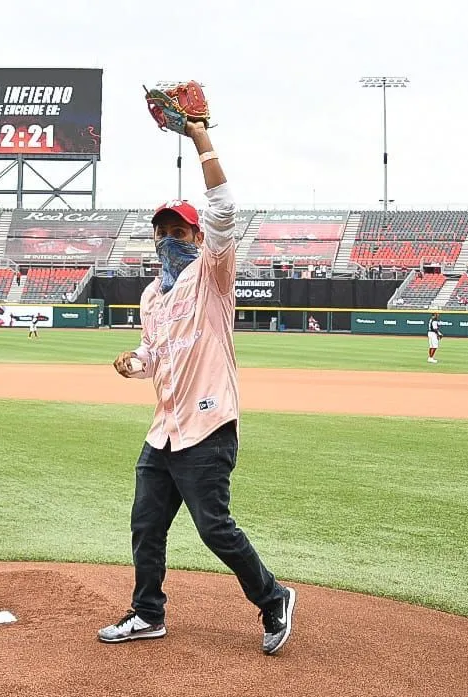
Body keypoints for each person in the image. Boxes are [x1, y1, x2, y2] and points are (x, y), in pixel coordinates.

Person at [99, 119, 295, 655]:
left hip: (208, 426)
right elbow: (154, 354)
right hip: (164, 431)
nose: (168, 240)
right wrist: (133, 363)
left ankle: (273, 596)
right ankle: (147, 613)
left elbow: (225, 208)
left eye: (179, 232)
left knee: (214, 528)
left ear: (197, 238)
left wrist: (200, 138)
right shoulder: (151, 296)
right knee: (146, 524)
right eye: (161, 232)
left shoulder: (212, 275)